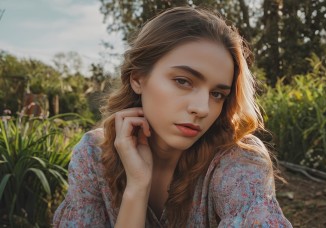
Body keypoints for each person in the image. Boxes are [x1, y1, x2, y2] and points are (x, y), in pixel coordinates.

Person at [53, 6, 292, 228]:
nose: (203, 108)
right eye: (183, 81)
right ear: (137, 79)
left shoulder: (238, 160)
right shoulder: (93, 156)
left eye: (217, 94)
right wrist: (136, 189)